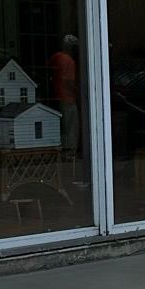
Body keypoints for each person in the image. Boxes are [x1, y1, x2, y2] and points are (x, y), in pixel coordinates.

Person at [52, 33, 85, 181]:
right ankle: (69, 155)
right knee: (71, 127)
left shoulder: (56, 57)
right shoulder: (69, 61)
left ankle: (63, 153)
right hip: (68, 98)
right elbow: (68, 81)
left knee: (62, 126)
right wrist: (79, 93)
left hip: (56, 97)